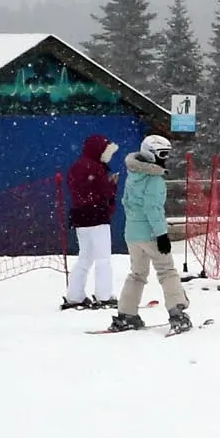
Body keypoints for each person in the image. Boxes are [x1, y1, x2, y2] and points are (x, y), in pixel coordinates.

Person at [108, 132, 194, 333]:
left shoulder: (134, 175)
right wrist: (161, 234)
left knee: (137, 274)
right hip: (150, 234)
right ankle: (177, 312)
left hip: (133, 234)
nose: (166, 158)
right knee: (166, 271)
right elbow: (152, 209)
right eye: (162, 154)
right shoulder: (154, 180)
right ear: (151, 154)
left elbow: (127, 202)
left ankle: (126, 314)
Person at [59, 132, 119, 308]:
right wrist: (113, 185)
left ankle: (74, 295)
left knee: (84, 257)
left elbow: (80, 191)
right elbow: (104, 193)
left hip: (80, 217)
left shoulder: (75, 167)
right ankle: (104, 296)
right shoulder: (97, 168)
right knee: (103, 259)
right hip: (98, 216)